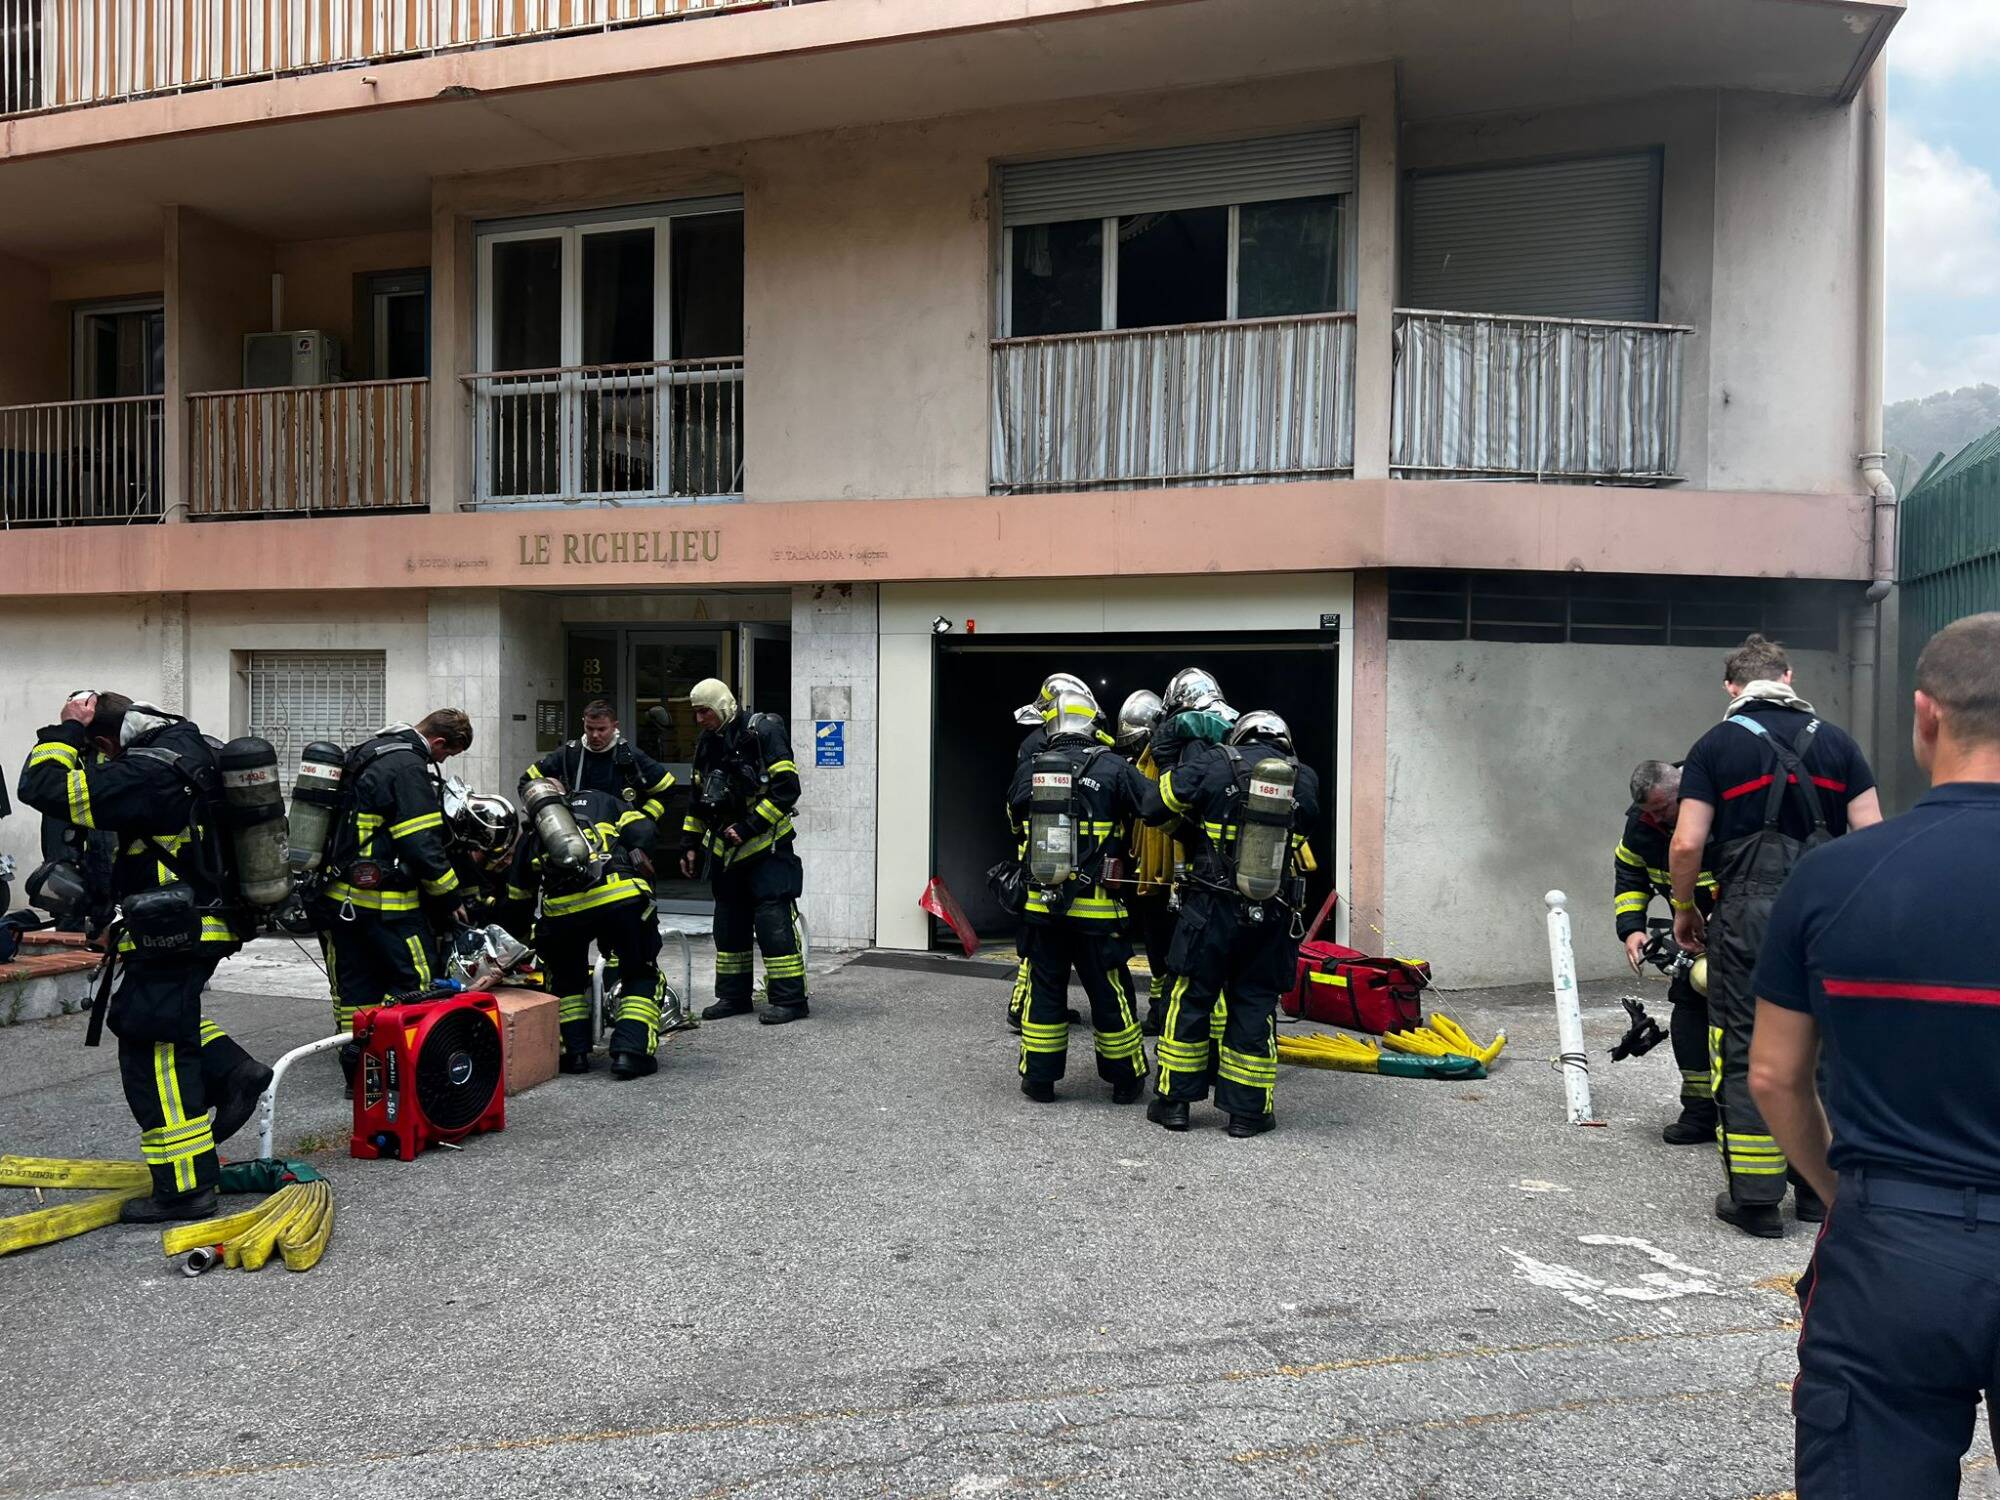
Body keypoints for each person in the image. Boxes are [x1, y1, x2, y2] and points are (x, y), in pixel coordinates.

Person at [1750, 612, 2000, 1496]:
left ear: (1926, 715)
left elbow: (1775, 1076)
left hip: (1891, 1245)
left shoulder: (1835, 878)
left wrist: (1838, 1192)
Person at [17, 692, 271, 1222]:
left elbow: (42, 787)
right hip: (187, 921)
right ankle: (232, 1070)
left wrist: (64, 732)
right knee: (151, 1018)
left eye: (99, 753)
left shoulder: (149, 769)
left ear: (106, 740)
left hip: (175, 928)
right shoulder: (189, 748)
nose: (103, 763)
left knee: (152, 1049)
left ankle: (183, 1189)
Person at [1669, 635, 1880, 1237]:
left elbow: (1686, 842)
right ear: (1788, 676)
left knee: (1746, 1046)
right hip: (1830, 915)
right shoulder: (1839, 743)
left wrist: (1686, 908)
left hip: (1749, 916)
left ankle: (1756, 1200)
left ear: (1731, 688)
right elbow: (1870, 834)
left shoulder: (1715, 745)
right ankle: (1818, 1193)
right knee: (1824, 1049)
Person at [1147, 709, 1320, 1138]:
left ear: (1240, 735)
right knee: (1255, 1003)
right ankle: (1247, 1114)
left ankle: (1174, 1104)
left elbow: (1157, 804)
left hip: (1209, 908)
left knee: (1191, 998)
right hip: (1271, 912)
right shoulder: (1305, 778)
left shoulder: (1215, 761)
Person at [1007, 689, 1159, 1104]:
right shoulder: (1112, 767)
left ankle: (1039, 1080)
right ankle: (1125, 1080)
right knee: (1110, 993)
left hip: (1041, 908)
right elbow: (1155, 807)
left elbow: (1015, 824)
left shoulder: (1030, 770)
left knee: (1045, 990)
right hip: (1098, 913)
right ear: (1093, 723)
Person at [319, 710, 473, 1089]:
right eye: (447, 755)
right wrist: (450, 895)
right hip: (391, 907)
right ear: (438, 743)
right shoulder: (408, 766)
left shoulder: (367, 751)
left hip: (343, 902)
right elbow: (421, 843)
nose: (442, 762)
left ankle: (362, 1078)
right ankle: (417, 1073)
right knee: (418, 983)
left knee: (355, 994)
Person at [502, 784, 676, 1077]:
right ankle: (630, 1054)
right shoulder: (604, 800)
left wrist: (519, 940)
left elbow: (518, 896)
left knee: (566, 980)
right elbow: (644, 832)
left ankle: (575, 1055)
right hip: (620, 898)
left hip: (563, 913)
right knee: (639, 972)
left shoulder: (533, 834)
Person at [678, 678, 807, 1024]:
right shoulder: (708, 743)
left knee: (772, 923)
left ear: (721, 706)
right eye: (696, 713)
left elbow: (787, 789)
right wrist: (690, 844)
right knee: (728, 924)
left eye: (704, 711)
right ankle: (733, 997)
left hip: (768, 848)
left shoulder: (762, 732)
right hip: (725, 851)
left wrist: (749, 827)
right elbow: (698, 800)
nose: (699, 719)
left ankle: (790, 1000)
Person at [1614, 759, 1717, 1144]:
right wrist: (1632, 929)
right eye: (1649, 811)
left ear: (1684, 792)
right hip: (1690, 933)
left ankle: (1748, 1116)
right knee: (1689, 1009)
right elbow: (1629, 872)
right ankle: (1700, 1112)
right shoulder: (1642, 825)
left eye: (1663, 809)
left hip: (1740, 930)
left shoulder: (1719, 810)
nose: (1657, 818)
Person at [1006, 672, 1103, 1032]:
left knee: (1039, 941)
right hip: (1053, 850)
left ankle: (1026, 1008)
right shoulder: (1042, 744)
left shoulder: (1034, 742)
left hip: (1038, 850)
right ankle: (1020, 1008)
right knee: (1038, 946)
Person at [1115, 689, 1178, 1038]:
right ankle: (1159, 1011)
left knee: (1170, 950)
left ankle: (1167, 1013)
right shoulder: (1140, 764)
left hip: (1173, 876)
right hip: (1149, 874)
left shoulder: (1177, 761)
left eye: (1137, 742)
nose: (1134, 751)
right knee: (1156, 947)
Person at [520, 699, 676, 830]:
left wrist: (643, 819)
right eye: (590, 728)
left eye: (602, 729)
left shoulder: (631, 756)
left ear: (615, 726)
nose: (595, 735)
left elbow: (666, 789)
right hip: (576, 834)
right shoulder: (568, 754)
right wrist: (549, 813)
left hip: (620, 838)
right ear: (583, 723)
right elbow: (527, 782)